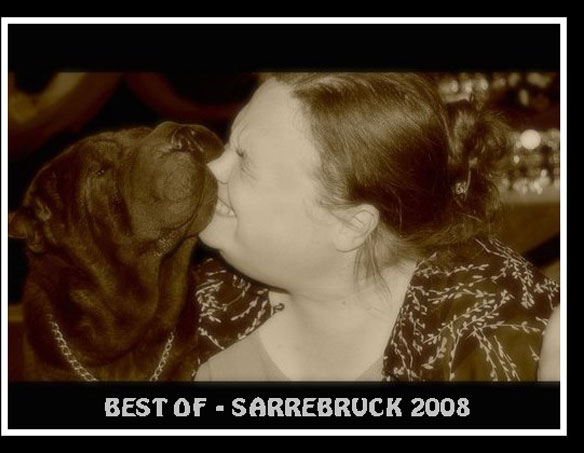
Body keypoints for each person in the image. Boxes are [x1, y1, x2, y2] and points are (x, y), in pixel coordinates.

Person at [191, 73, 560, 382]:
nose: (210, 169)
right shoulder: (196, 302)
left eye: (245, 160)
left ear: (352, 225)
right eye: (228, 146)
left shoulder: (497, 339)